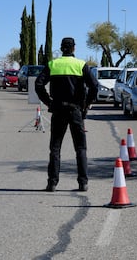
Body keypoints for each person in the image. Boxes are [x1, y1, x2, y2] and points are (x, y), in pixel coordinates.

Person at [35, 37, 98, 192]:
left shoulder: (53, 64)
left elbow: (38, 84)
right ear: (74, 49)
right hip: (76, 110)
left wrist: (48, 102)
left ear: (61, 48)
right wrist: (86, 105)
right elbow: (94, 86)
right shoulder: (81, 65)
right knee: (80, 148)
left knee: (55, 148)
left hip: (58, 110)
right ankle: (83, 182)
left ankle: (52, 183)